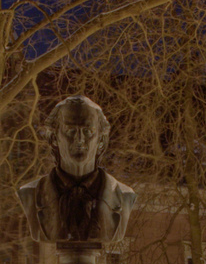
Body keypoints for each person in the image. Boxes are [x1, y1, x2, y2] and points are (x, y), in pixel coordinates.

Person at [17, 95, 136, 245]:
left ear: (101, 140)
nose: (79, 140)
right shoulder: (30, 194)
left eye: (88, 131)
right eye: (70, 130)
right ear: (53, 137)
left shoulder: (124, 195)